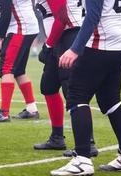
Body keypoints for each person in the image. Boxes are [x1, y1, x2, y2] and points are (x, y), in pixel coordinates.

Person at [51, 0, 121, 176]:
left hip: (101, 44)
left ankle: (82, 159)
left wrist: (75, 49)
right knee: (111, 101)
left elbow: (93, 16)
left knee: (76, 96)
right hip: (120, 43)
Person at [32, 0, 99, 157]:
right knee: (48, 86)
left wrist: (48, 45)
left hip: (70, 36)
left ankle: (88, 143)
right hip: (60, 38)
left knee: (72, 91)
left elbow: (62, 17)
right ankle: (57, 138)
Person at [0, 0, 40, 122]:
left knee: (6, 68)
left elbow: (6, 12)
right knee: (19, 70)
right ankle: (31, 108)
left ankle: (4, 112)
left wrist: (0, 37)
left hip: (20, 27)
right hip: (27, 25)